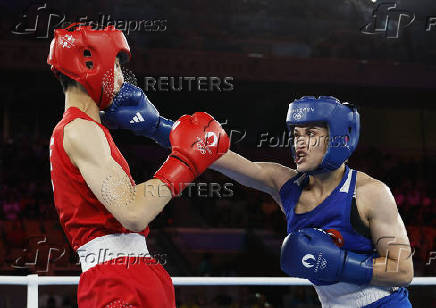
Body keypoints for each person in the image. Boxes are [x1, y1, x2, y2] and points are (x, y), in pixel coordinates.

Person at [103, 95, 414, 307]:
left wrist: (341, 263)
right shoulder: (285, 184)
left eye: (311, 133)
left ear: (339, 138)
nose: (299, 143)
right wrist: (156, 126)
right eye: (296, 134)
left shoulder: (371, 192)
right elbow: (216, 154)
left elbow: (403, 271)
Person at [47, 23, 229, 308]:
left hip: (133, 272)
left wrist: (162, 131)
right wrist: (185, 162)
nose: (121, 79)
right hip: (117, 279)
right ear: (91, 66)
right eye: (116, 67)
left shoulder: (88, 129)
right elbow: (133, 212)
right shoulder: (79, 130)